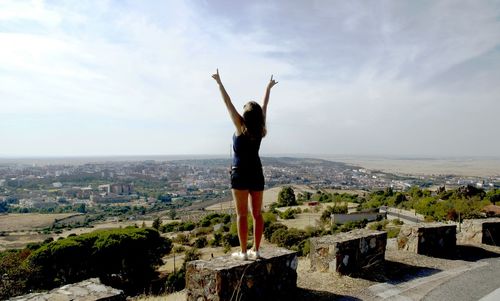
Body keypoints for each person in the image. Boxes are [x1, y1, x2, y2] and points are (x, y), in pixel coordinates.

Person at [212, 69, 278, 260]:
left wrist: (220, 83)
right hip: (257, 173)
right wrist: (268, 88)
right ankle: (256, 250)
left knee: (242, 215)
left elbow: (227, 103)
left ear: (245, 116)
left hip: (240, 173)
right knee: (257, 214)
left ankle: (243, 253)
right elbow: (265, 105)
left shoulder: (240, 127)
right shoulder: (260, 128)